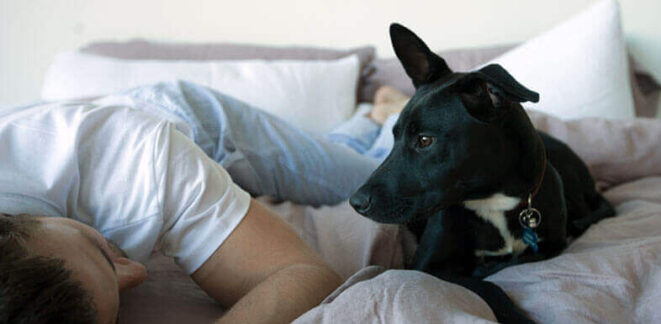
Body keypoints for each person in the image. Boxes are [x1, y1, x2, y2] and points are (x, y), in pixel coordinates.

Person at [0, 81, 400, 324]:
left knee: (376, 185)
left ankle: (386, 118)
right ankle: (361, 125)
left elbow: (301, 272)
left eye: (103, 252)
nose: (138, 273)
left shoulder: (134, 161)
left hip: (200, 127)